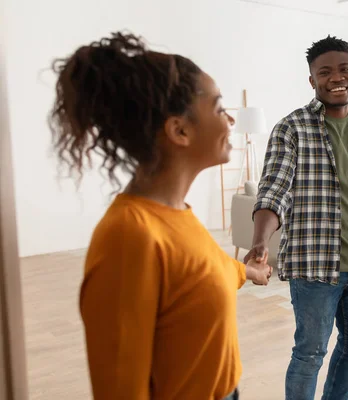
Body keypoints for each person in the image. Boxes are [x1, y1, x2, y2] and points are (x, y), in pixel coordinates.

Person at [48, 32, 272, 400]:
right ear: (179, 130)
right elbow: (120, 389)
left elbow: (204, 268)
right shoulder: (128, 235)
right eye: (218, 108)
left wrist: (249, 270)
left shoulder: (177, 215)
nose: (230, 119)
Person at [245, 36, 348, 400]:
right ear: (312, 81)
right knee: (309, 354)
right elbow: (274, 191)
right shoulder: (291, 129)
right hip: (315, 268)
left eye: (344, 69)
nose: (337, 77)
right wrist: (260, 242)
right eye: (325, 72)